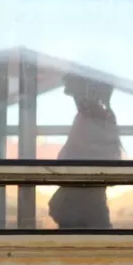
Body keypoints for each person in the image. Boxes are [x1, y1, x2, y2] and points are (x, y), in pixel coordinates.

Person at [48, 75, 123, 230]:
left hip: (82, 205)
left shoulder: (90, 119)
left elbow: (66, 159)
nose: (76, 100)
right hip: (89, 204)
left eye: (77, 94)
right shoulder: (102, 118)